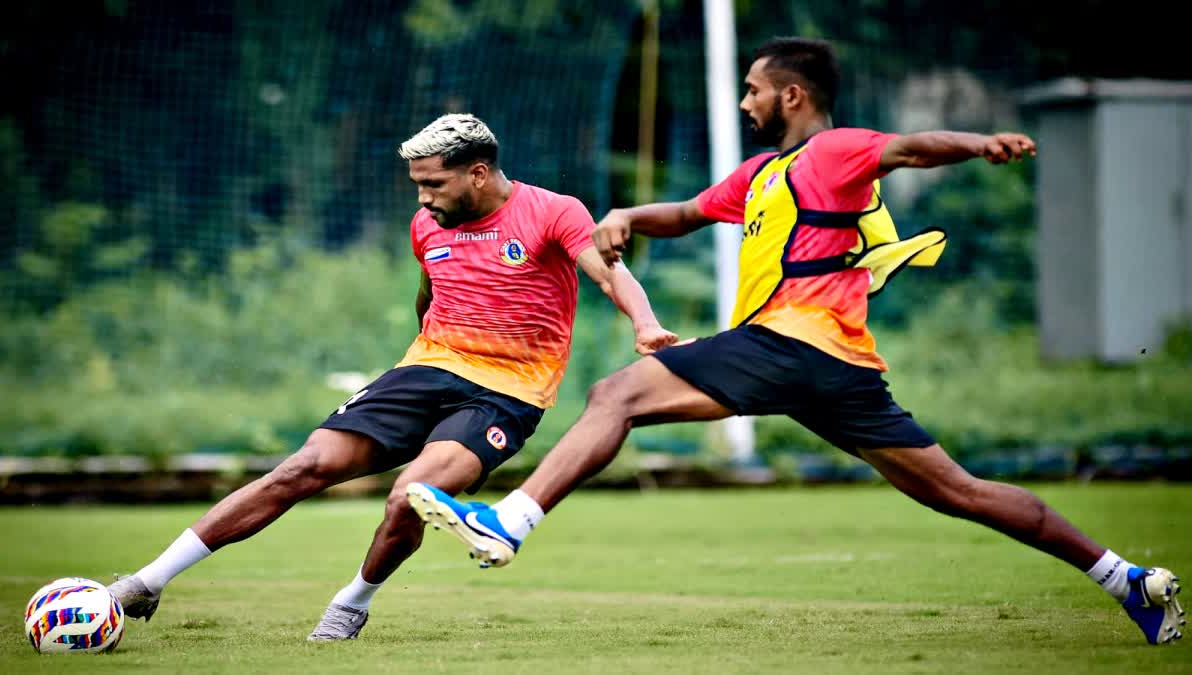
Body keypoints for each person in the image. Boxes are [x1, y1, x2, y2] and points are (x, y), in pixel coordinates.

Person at [405, 39, 1185, 646]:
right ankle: (1129, 580)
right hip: (835, 365)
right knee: (959, 491)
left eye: (751, 89)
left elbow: (910, 147)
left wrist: (980, 143)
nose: (744, 102)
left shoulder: (831, 151)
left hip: (793, 342)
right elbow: (685, 212)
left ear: (792, 94)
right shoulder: (764, 175)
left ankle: (511, 520)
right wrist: (627, 219)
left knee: (617, 394)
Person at [107, 113, 678, 641]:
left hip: (509, 391)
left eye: (434, 184)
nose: (424, 198)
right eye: (418, 186)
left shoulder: (554, 212)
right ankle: (144, 584)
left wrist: (646, 325)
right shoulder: (426, 226)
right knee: (302, 467)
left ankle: (351, 605)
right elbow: (429, 294)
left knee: (410, 499)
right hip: (426, 369)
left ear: (478, 174)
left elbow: (610, 275)